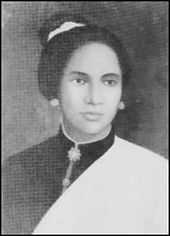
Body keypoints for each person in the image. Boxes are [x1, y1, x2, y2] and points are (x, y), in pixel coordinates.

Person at [2, 13, 168, 234]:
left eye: (109, 82)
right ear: (54, 88)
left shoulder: (155, 174)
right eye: (80, 80)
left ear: (121, 94)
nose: (94, 98)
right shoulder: (16, 171)